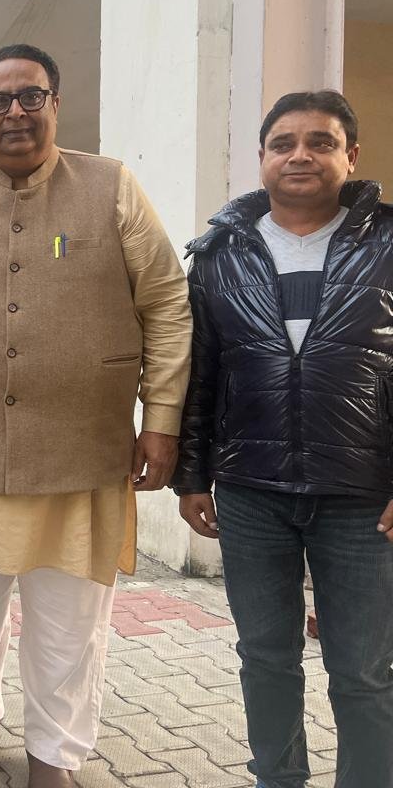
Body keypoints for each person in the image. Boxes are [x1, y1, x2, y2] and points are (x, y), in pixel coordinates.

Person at [0, 44, 192, 787]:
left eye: (31, 97)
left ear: (56, 105)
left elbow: (167, 301)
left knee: (69, 621)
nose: (16, 113)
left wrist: (162, 416)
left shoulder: (111, 186)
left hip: (80, 453)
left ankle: (55, 753)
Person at [174, 90, 393, 788]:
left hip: (363, 498)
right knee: (266, 658)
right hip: (251, 494)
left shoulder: (389, 241)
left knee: (363, 670)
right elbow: (200, 373)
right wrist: (192, 477)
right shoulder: (219, 255)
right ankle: (279, 779)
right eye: (284, 143)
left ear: (351, 156)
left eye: (320, 142)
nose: (301, 155)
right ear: (262, 157)